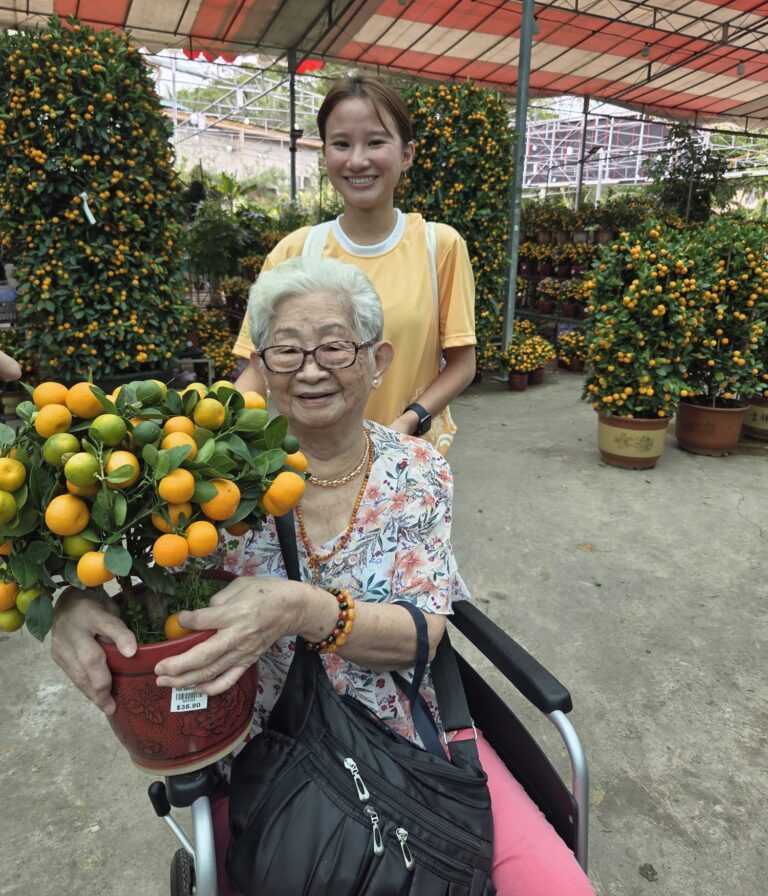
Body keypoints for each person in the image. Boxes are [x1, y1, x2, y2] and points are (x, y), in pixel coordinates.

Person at [51, 258, 594, 896]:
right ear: (261, 363)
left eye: (334, 346)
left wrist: (305, 610)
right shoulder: (205, 478)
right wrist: (75, 602)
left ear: (377, 358)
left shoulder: (417, 470)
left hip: (411, 737)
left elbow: (422, 633)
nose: (310, 369)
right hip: (262, 748)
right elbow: (135, 569)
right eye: (285, 350)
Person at [231, 71, 476, 456]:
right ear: (325, 154)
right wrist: (213, 431)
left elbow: (463, 363)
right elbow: (256, 369)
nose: (358, 160)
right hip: (306, 464)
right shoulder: (295, 251)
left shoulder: (438, 246)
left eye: (375, 142)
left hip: (404, 458)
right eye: (341, 144)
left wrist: (408, 421)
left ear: (407, 154)